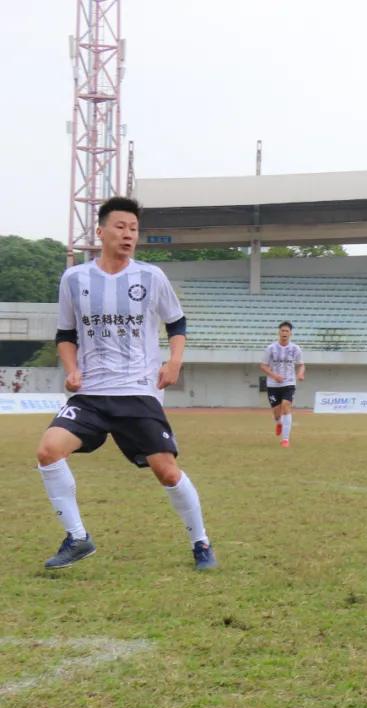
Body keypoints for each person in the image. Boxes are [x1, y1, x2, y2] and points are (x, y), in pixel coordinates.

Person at [34, 196, 217, 571]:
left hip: (137, 391)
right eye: (120, 227)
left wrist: (175, 361)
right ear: (100, 232)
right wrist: (71, 368)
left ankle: (201, 543)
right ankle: (78, 538)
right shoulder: (75, 278)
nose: (128, 234)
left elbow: (177, 324)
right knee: (48, 451)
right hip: (91, 395)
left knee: (166, 471)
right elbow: (65, 333)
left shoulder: (151, 277)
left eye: (134, 229)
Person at [260, 321, 305, 448]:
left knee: (286, 406)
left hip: (289, 382)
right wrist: (274, 376)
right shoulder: (271, 348)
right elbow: (263, 366)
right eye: (282, 330)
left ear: (290, 333)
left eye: (287, 331)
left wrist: (300, 373)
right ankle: (279, 423)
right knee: (276, 412)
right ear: (279, 332)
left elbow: (301, 364)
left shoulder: (295, 348)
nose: (284, 333)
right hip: (273, 384)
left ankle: (285, 440)